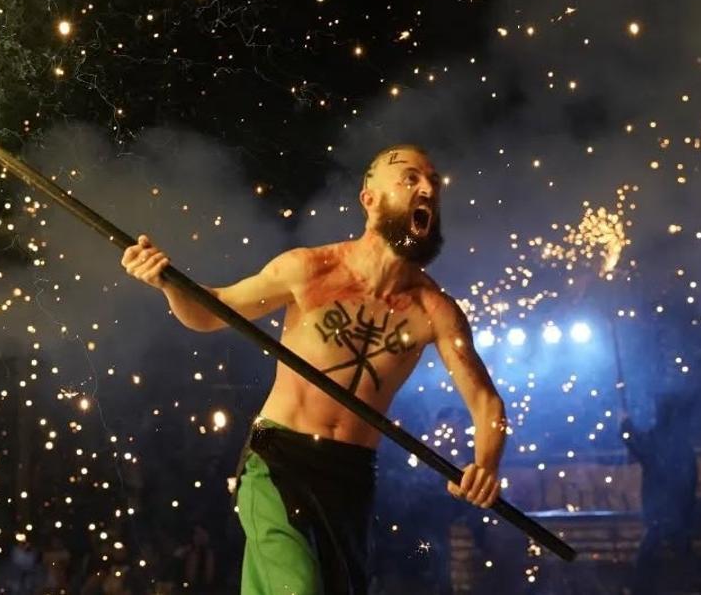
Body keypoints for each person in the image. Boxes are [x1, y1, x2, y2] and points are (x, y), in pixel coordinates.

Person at [121, 145, 507, 594]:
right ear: (370, 199)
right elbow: (215, 310)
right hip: (280, 457)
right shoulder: (309, 269)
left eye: (433, 183)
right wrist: (166, 282)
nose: (427, 189)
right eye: (410, 178)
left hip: (351, 475)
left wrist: (486, 464)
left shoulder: (435, 311)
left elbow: (485, 403)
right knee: (298, 587)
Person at [620, 395, 699, 594]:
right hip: (678, 509)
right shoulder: (683, 443)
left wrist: (625, 425)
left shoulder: (659, 440)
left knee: (649, 557)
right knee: (681, 552)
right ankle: (696, 587)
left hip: (662, 511)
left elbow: (638, 445)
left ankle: (640, 590)